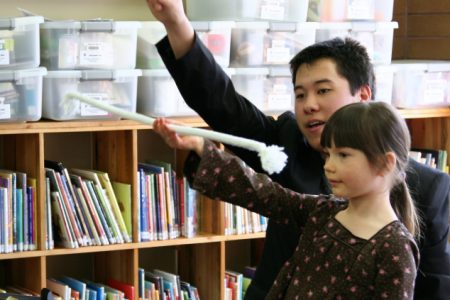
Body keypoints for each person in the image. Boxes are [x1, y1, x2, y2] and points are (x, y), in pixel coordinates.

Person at [146, 0, 450, 298]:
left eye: (323, 90)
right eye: (300, 94)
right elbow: (226, 109)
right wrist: (176, 21)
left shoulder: (424, 197)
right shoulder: (290, 146)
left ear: (363, 95)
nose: (309, 105)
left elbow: (435, 287)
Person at [152, 101, 420, 299]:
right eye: (328, 155)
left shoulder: (394, 246)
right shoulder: (324, 211)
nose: (329, 166)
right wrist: (200, 146)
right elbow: (262, 193)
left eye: (344, 155)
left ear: (385, 163)